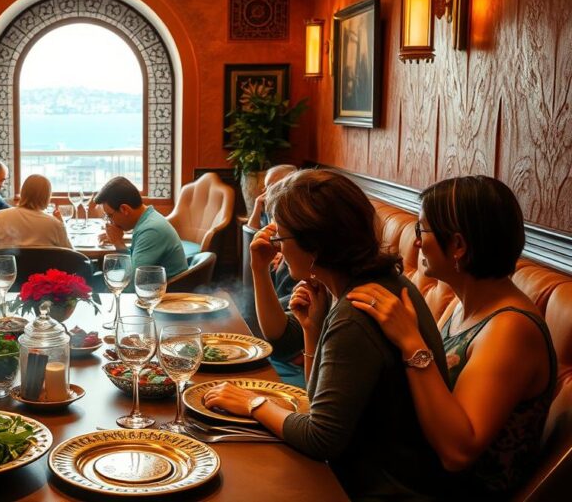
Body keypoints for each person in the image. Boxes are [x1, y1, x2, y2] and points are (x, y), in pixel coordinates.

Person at [203, 169, 451, 500]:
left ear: (315, 245)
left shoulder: (357, 311)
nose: (277, 247)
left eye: (282, 237)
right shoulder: (368, 282)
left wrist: (252, 402)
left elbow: (321, 438)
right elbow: (316, 396)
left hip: (378, 488)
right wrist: (312, 330)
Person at [346, 176, 556, 499]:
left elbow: (458, 452)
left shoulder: (511, 328)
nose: (417, 243)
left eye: (422, 231)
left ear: (458, 245)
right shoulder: (464, 306)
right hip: (418, 478)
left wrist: (411, 341)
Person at [243, 164, 304, 387]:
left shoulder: (334, 288)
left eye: (282, 237)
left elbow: (282, 341)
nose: (278, 245)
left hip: (291, 366)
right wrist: (259, 268)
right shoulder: (317, 285)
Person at [94, 176, 187, 279]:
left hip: (169, 288)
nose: (110, 222)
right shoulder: (147, 219)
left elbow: (132, 282)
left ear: (124, 209)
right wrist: (117, 241)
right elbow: (134, 263)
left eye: (110, 216)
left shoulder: (151, 230)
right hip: (151, 284)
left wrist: (118, 242)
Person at [0, 174, 71, 253]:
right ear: (47, 196)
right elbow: (71, 255)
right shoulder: (54, 224)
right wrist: (62, 225)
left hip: (8, 266)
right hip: (42, 266)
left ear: (23, 192)